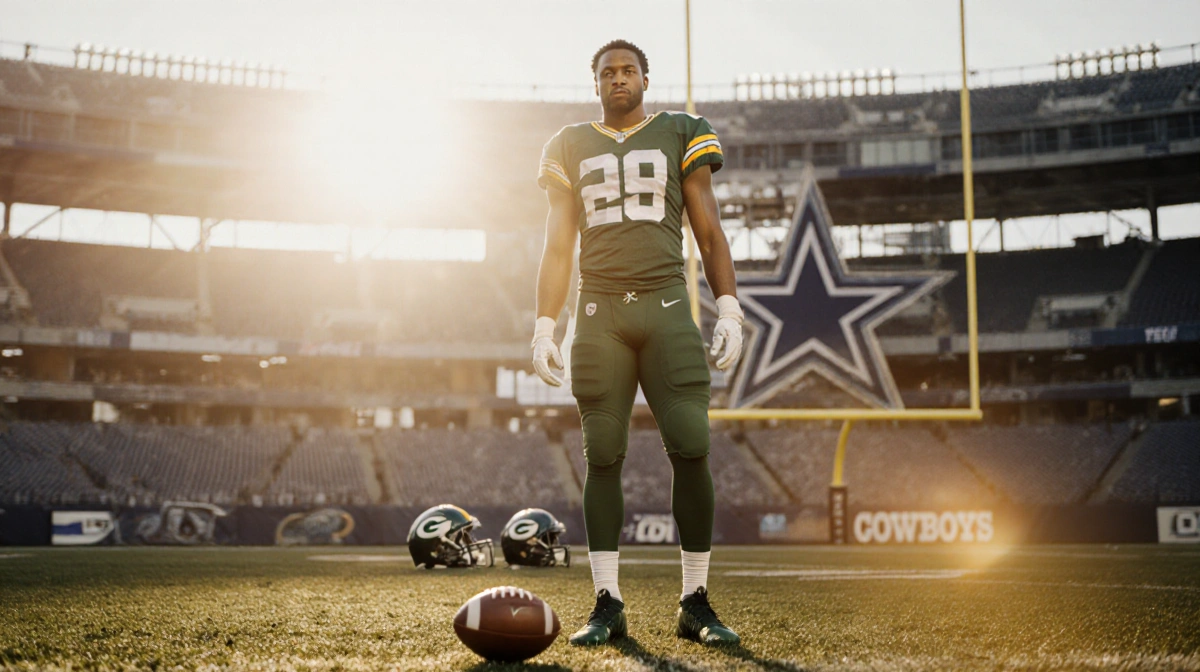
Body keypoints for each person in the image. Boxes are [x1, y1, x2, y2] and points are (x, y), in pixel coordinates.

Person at [531, 39, 744, 646]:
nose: (618, 79)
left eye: (628, 70)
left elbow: (707, 224)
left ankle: (695, 600)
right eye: (607, 72)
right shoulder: (568, 143)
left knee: (692, 441)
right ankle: (607, 600)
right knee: (602, 450)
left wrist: (728, 307)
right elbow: (556, 244)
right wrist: (545, 323)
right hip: (598, 310)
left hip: (668, 304)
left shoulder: (681, 130)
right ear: (594, 82)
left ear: (646, 79)